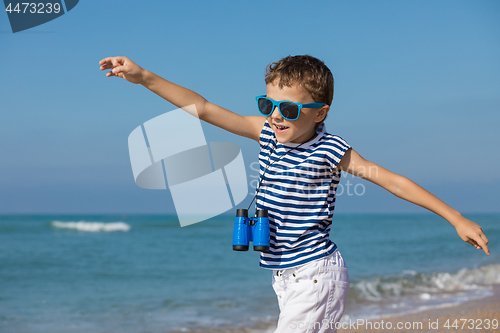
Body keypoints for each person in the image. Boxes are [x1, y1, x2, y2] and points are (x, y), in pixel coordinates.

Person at [99, 55, 490, 333]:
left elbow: (392, 180)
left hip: (315, 275)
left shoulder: (331, 149)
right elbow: (202, 107)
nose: (275, 116)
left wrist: (455, 217)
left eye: (288, 109)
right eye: (268, 104)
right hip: (283, 276)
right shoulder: (267, 133)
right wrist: (144, 76)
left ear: (320, 112)